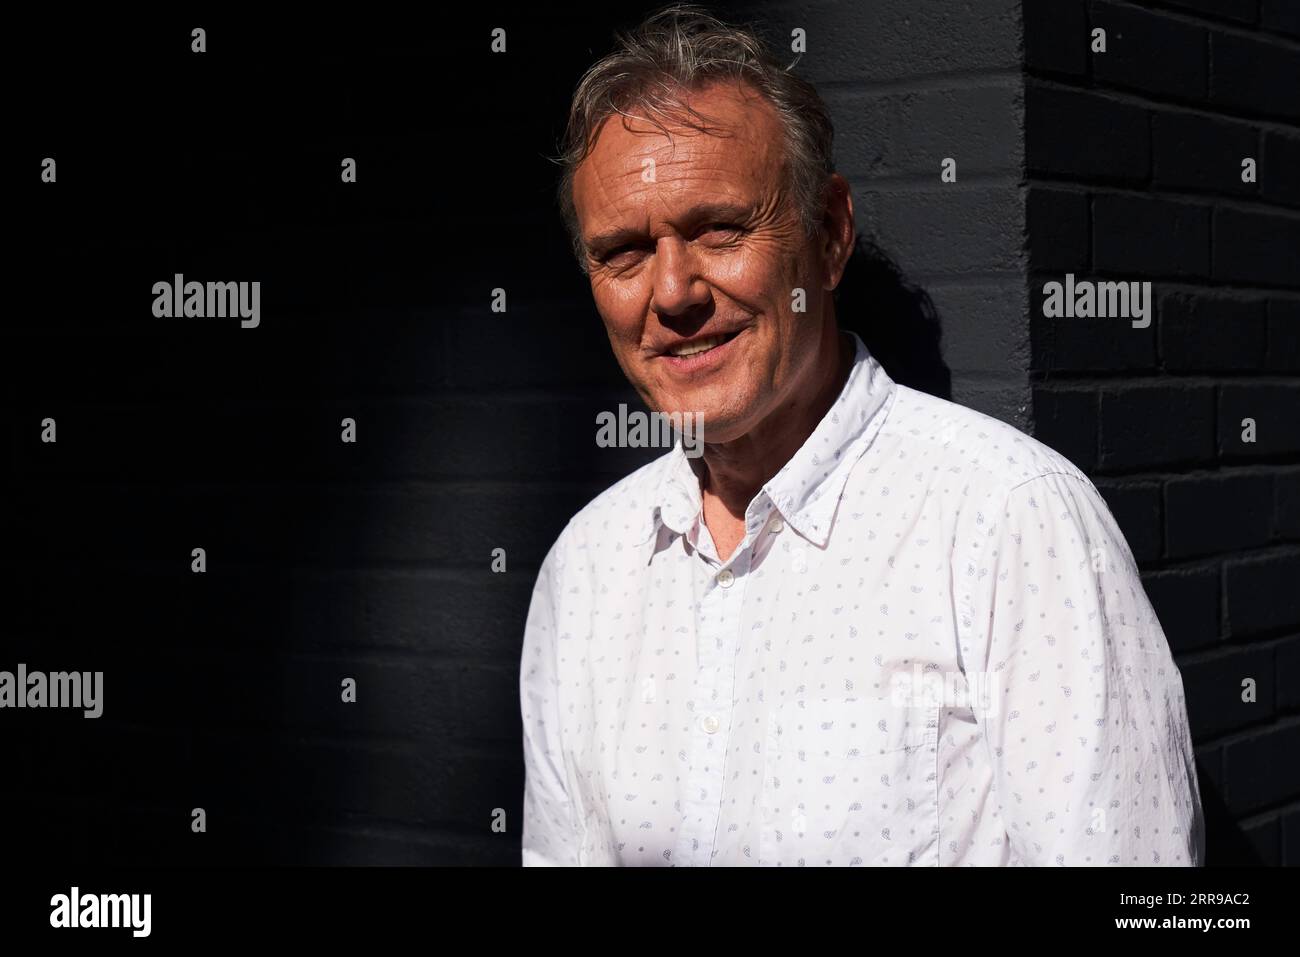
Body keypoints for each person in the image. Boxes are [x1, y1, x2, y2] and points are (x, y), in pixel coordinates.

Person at [520, 4, 1203, 866]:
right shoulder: (584, 573)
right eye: (621, 251)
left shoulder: (1009, 524)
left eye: (719, 228)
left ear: (831, 234)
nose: (674, 291)